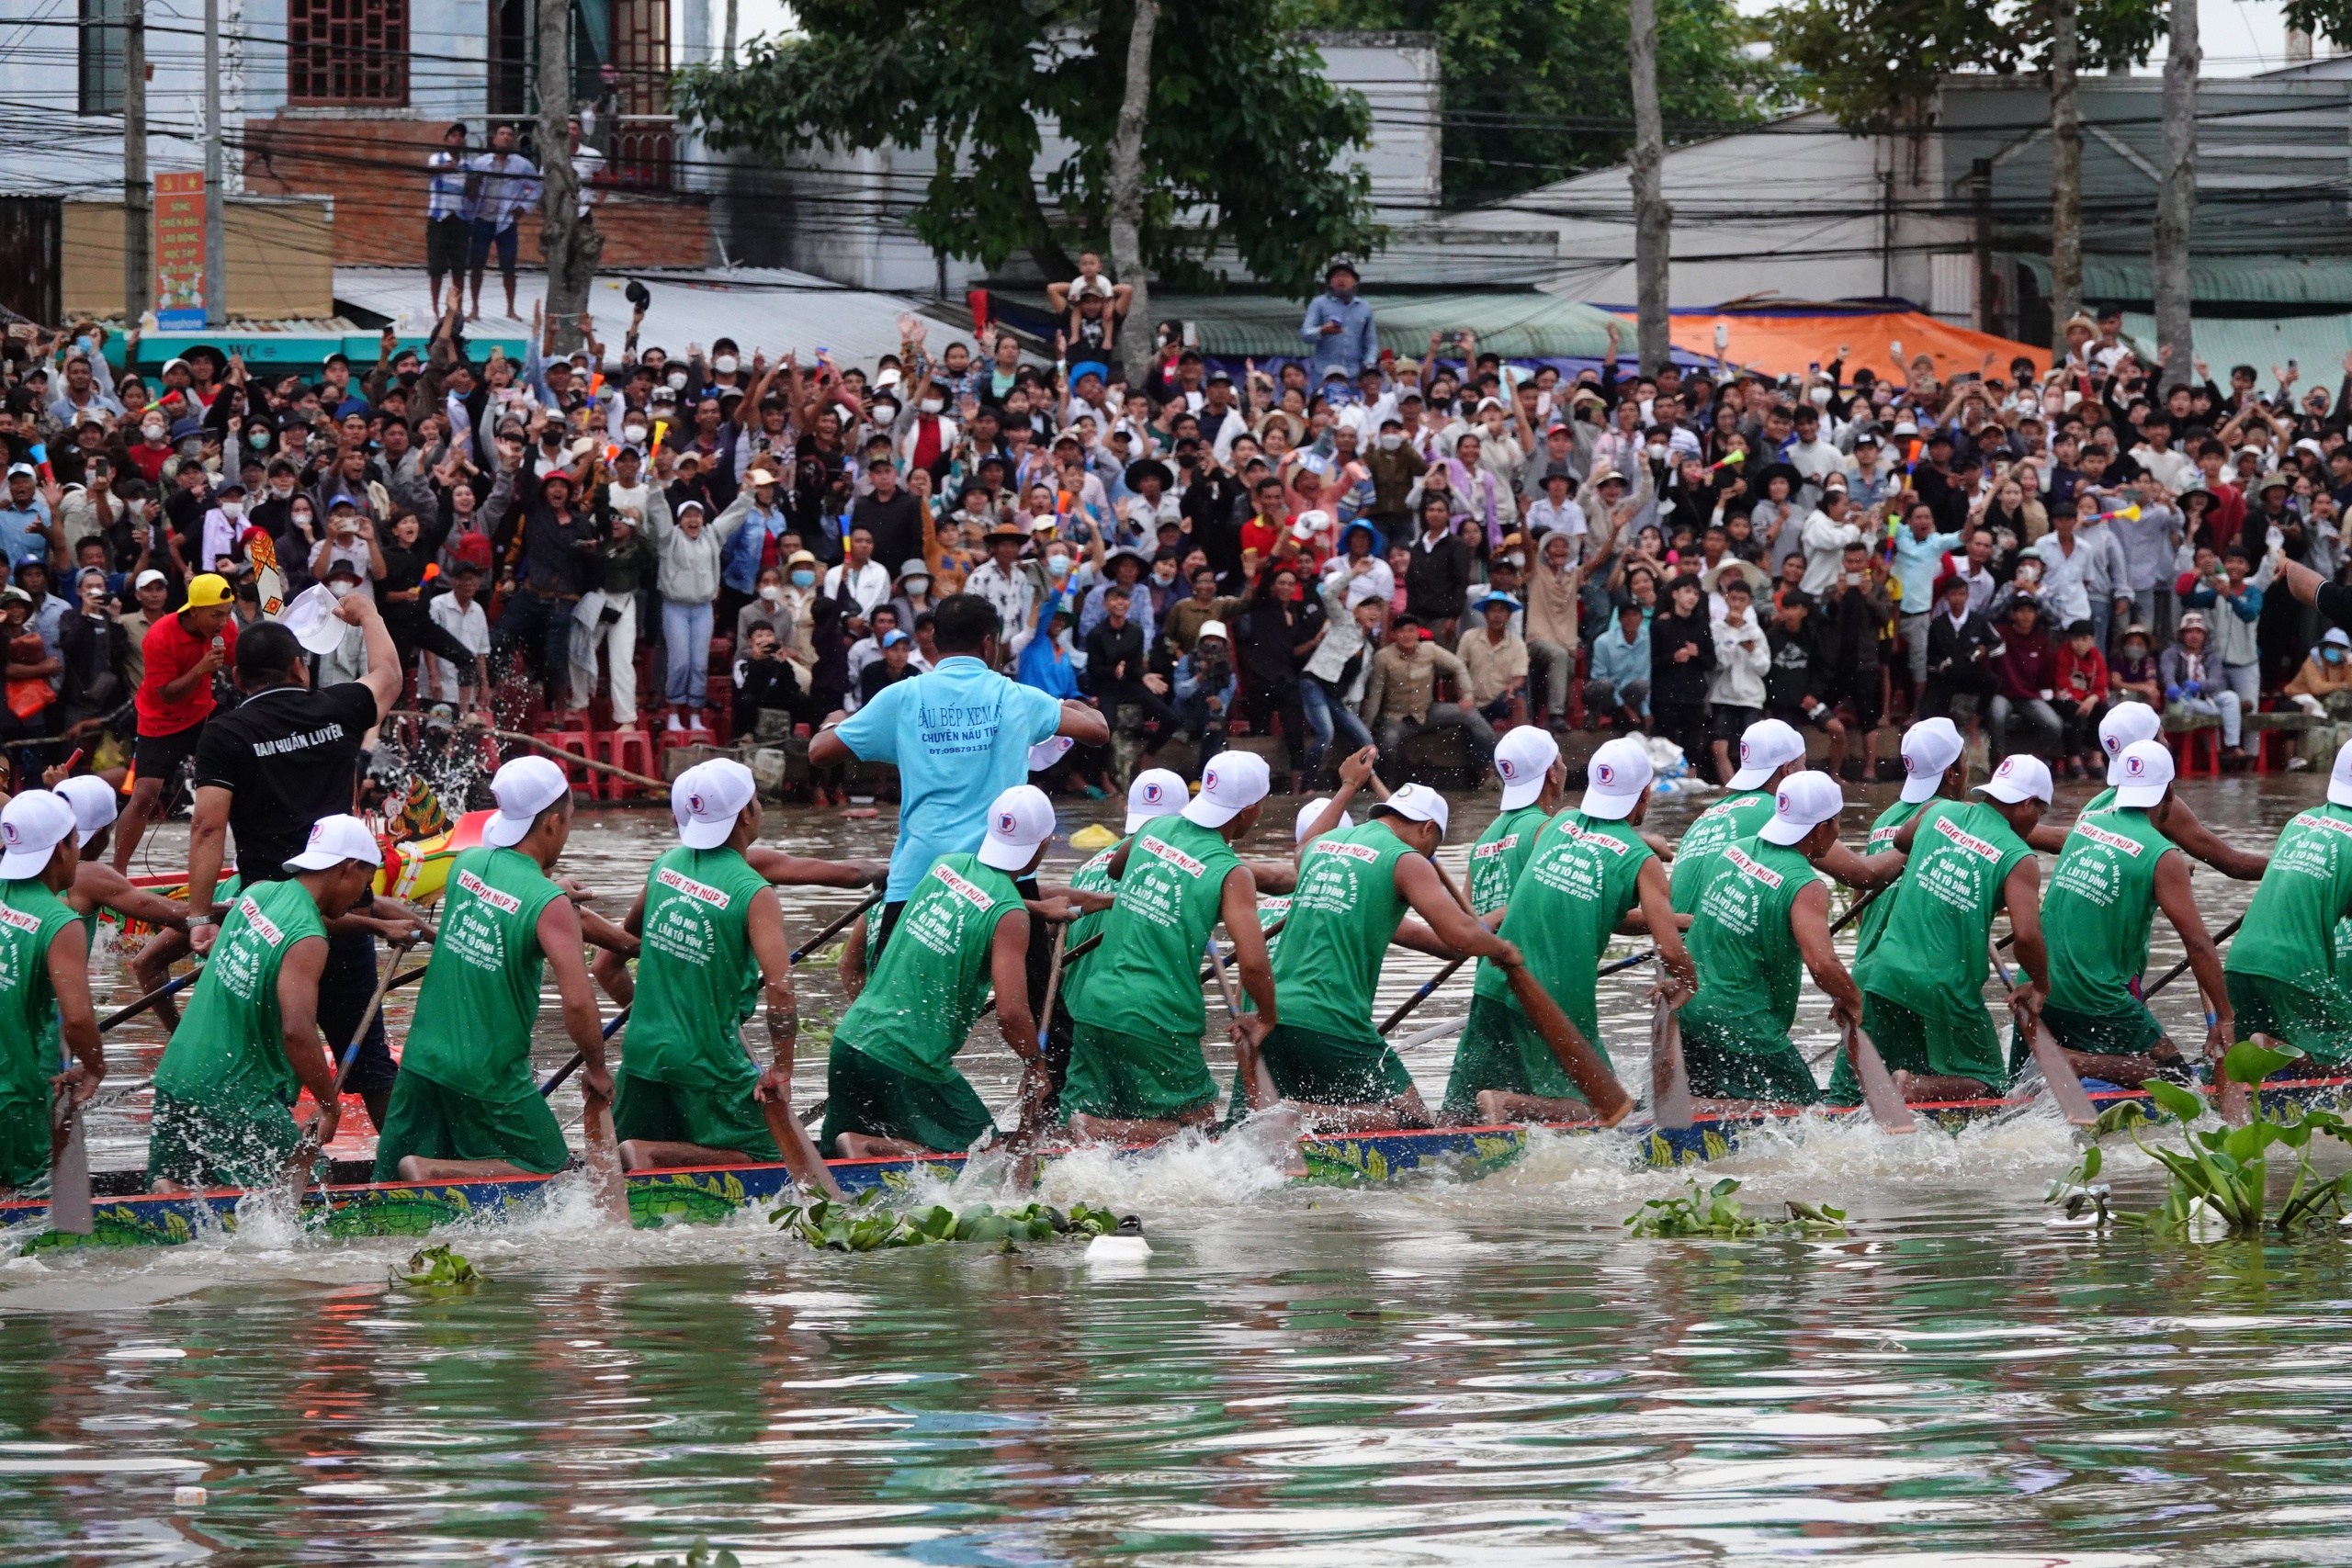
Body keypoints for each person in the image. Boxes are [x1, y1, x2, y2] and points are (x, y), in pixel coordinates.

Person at [186, 604, 410, 1130]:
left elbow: (207, 829)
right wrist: (368, 614)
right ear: (299, 669)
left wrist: (199, 917)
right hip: (342, 911)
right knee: (369, 1063)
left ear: (237, 678)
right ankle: (403, 1170)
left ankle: (259, 1187)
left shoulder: (226, 733)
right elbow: (390, 676)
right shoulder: (336, 707)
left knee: (268, 1063)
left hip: (267, 919)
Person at [811, 594, 1106, 953]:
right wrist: (1066, 704)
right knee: (1029, 1003)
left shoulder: (902, 697)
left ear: (933, 641)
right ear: (989, 642)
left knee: (897, 999)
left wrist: (834, 720)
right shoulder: (1018, 697)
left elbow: (819, 754)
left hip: (921, 874)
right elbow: (1097, 731)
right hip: (1005, 874)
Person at [371, 757, 616, 1181]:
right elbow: (577, 1002)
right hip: (489, 1077)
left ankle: (424, 1172)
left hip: (421, 1060)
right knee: (551, 1173)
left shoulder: (465, 865)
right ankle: (429, 1170)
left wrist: (552, 891)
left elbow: (506, 896)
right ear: (555, 823)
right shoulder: (548, 904)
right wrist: (597, 1068)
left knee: (390, 1193)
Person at [608, 761, 836, 1190]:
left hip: (641, 1052)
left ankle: (648, 1154)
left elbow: (607, 963)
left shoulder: (666, 865)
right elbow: (781, 989)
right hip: (707, 1060)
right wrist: (782, 1070)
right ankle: (648, 1154)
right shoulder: (754, 891)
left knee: (630, 1176)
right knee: (775, 1159)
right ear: (748, 813)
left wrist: (662, 1017)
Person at [1442, 734, 1692, 1123]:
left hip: (1494, 978)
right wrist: (1686, 983)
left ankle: (1459, 1137)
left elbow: (1588, 895)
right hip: (1554, 995)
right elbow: (1672, 953)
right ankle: (1510, 1105)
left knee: (1461, 1114)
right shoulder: (1642, 861)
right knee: (1606, 1109)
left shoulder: (1559, 823)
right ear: (1645, 794)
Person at [1250, 784, 1521, 1131]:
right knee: (1414, 1120)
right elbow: (1460, 935)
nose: (1429, 857)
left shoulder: (1318, 848)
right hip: (1331, 1017)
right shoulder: (1405, 860)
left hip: (1267, 1013)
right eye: (1433, 848)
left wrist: (1349, 785)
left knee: (1336, 1108)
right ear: (1427, 829)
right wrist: (1506, 950)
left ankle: (1296, 1122)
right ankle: (1295, 1114)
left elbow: (1450, 943)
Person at [820, 784, 1059, 1158]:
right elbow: (1012, 1014)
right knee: (988, 1157)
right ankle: (869, 1146)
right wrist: (1035, 1063)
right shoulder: (1009, 914)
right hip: (909, 1060)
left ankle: (869, 1149)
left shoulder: (944, 865)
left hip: (852, 1039)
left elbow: (976, 898)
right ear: (1044, 844)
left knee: (835, 1170)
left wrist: (1040, 910)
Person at [144, 814, 379, 1191]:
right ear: (348, 869)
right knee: (311, 1183)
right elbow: (297, 1033)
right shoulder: (308, 938)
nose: (360, 898)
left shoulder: (257, 893)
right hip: (234, 1095)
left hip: (178, 1074)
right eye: (365, 885)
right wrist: (330, 1106)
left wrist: (382, 926)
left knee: (176, 1190)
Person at [1063, 753, 1279, 1145]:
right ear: (1249, 811)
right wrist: (1265, 1016)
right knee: (1199, 1130)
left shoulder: (1155, 828)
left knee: (1099, 1126)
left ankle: (1091, 1131)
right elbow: (1252, 963)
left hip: (1094, 1002)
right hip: (1158, 1014)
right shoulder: (1231, 872)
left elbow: (1115, 869)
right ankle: (1095, 1129)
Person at [1834, 753, 2052, 1105]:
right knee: (1991, 1085)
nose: (2036, 822)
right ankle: (1912, 1088)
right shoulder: (2019, 858)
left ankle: (1902, 1093)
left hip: (1885, 972)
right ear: (2027, 803)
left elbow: (1903, 841)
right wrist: (2040, 984)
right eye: (2040, 813)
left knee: (1857, 1094)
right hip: (1948, 988)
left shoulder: (1936, 812)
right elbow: (2026, 936)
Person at [2034, 740, 2232, 1088]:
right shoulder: (2162, 855)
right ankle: (2078, 1062)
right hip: (2094, 995)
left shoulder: (2086, 827)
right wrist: (2225, 1018)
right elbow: (2198, 944)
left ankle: (2089, 1060)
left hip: (2041, 986)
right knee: (2178, 1081)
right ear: (2169, 791)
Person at [1677, 771, 1866, 1107]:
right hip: (1742, 1024)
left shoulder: (1736, 850)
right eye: (1837, 823)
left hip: (1687, 1009)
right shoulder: (1805, 885)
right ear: (1822, 829)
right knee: (1806, 1116)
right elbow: (1823, 964)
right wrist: (1851, 998)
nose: (1837, 831)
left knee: (1707, 1101)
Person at [2222, 738, 2352, 1068]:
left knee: (2249, 1065)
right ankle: (2275, 1049)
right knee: (2342, 1055)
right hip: (2293, 972)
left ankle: (2252, 1063)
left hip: (2241, 961)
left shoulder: (2301, 821)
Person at [0, 792, 103, 1194]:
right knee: (45, 1219)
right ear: (62, 847)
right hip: (15, 1099)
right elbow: (77, 1019)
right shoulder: (59, 921)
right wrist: (96, 1068)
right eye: (76, 841)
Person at [114, 571, 236, 874]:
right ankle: (117, 871)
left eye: (227, 614)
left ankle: (247, 860)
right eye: (216, 615)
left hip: (204, 712)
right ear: (194, 611)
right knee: (145, 794)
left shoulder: (226, 629)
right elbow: (166, 694)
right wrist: (200, 670)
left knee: (241, 778)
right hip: (161, 719)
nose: (223, 622)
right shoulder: (159, 636)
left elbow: (238, 663)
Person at [1669, 716, 1806, 911]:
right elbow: (1856, 873)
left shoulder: (1708, 814)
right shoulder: (1778, 812)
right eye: (1803, 765)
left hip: (1674, 938)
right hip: (1716, 940)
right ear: (1787, 770)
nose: (1805, 772)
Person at [1361, 615, 1495, 785]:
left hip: (1427, 712)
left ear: (1417, 633)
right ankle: (1386, 790)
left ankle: (1487, 769)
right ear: (1394, 635)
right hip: (1397, 717)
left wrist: (1467, 695)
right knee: (1387, 745)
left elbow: (1458, 666)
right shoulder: (1383, 657)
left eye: (1411, 631)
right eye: (1402, 631)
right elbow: (1376, 694)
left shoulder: (1429, 650)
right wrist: (1366, 726)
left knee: (1471, 715)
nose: (1407, 635)